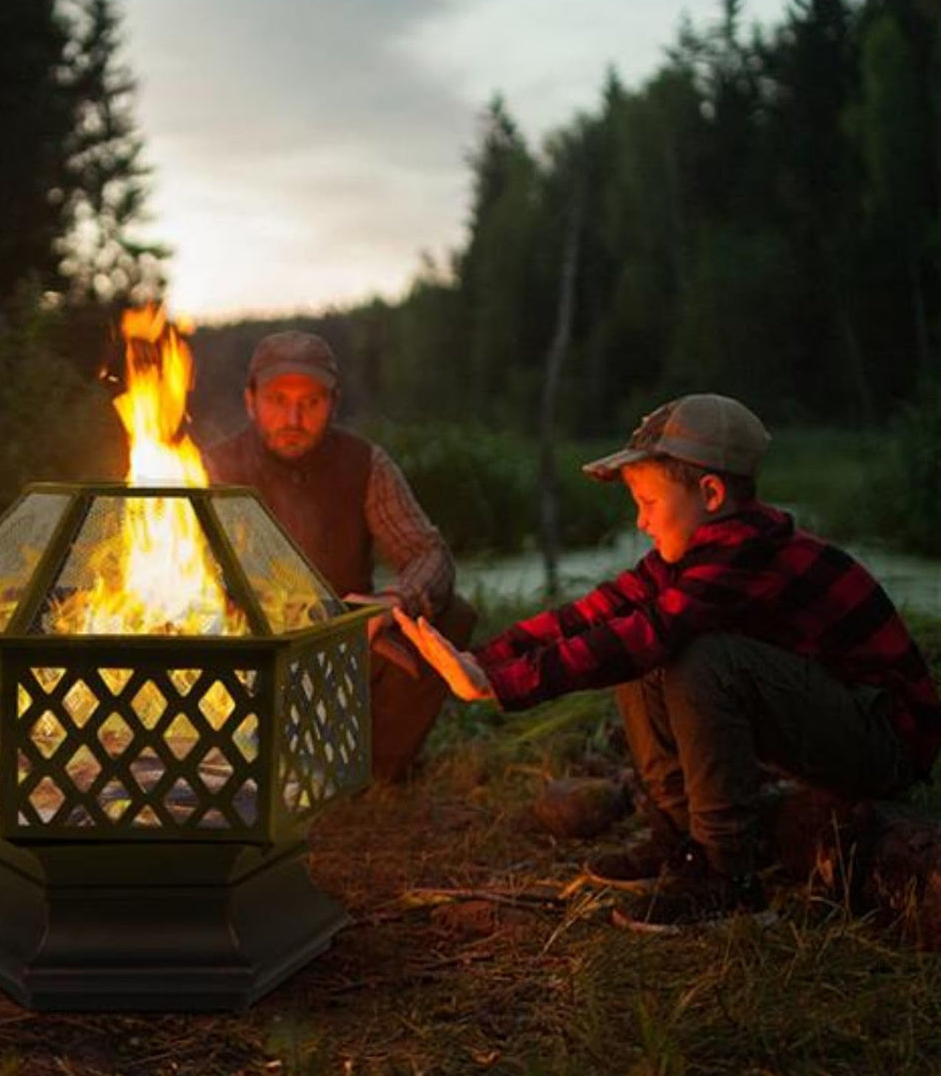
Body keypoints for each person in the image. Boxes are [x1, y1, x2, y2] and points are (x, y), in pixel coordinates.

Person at [396, 393, 941, 933]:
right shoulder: (693, 556)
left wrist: (508, 685)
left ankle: (729, 879)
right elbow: (598, 612)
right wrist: (485, 661)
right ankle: (680, 839)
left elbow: (649, 634)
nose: (640, 522)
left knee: (696, 654)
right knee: (642, 648)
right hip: (829, 721)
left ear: (710, 493)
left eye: (649, 502)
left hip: (884, 742)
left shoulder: (746, 554)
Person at [204, 329, 476, 783]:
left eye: (311, 402)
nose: (293, 416)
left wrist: (395, 602)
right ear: (250, 400)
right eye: (277, 399)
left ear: (333, 402)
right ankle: (236, 767)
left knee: (447, 618)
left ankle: (370, 771)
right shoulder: (207, 469)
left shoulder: (364, 464)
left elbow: (429, 553)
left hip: (341, 646)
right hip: (242, 655)